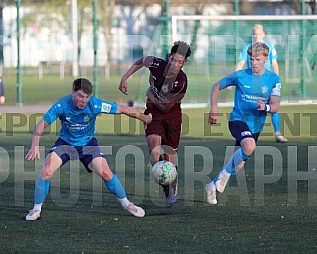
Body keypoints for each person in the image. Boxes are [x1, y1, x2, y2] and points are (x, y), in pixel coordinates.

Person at [25, 78, 152, 220]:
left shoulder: (95, 104)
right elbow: (41, 124)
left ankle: (127, 204)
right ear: (73, 93)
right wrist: (34, 146)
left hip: (88, 145)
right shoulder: (62, 104)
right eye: (80, 96)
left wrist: (144, 118)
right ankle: (36, 209)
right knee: (46, 171)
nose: (83, 100)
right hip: (66, 144)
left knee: (106, 172)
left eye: (86, 97)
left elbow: (123, 109)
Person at [205, 42, 282, 205]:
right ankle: (223, 177)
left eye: (257, 59)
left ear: (266, 59)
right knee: (249, 146)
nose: (253, 63)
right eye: (251, 59)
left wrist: (266, 106)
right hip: (238, 120)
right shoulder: (240, 75)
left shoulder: (273, 79)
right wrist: (214, 108)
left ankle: (211, 185)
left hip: (256, 126)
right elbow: (216, 86)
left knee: (238, 164)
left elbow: (276, 106)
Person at [118, 41, 191, 207]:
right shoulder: (157, 64)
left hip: (172, 116)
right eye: (173, 59)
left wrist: (150, 93)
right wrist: (125, 77)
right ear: (169, 57)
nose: (175, 64)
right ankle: (166, 188)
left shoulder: (181, 81)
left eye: (179, 62)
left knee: (169, 154)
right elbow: (142, 60)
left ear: (184, 63)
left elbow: (166, 106)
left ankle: (172, 184)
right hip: (153, 115)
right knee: (155, 151)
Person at [234, 24, 288, 143]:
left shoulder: (269, 46)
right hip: (252, 83)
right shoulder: (247, 47)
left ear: (263, 34)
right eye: (254, 33)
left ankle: (278, 134)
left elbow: (274, 63)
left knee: (274, 106)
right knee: (251, 108)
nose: (256, 36)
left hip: (268, 82)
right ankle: (247, 133)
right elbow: (241, 63)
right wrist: (235, 78)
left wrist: (276, 80)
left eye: (258, 33)